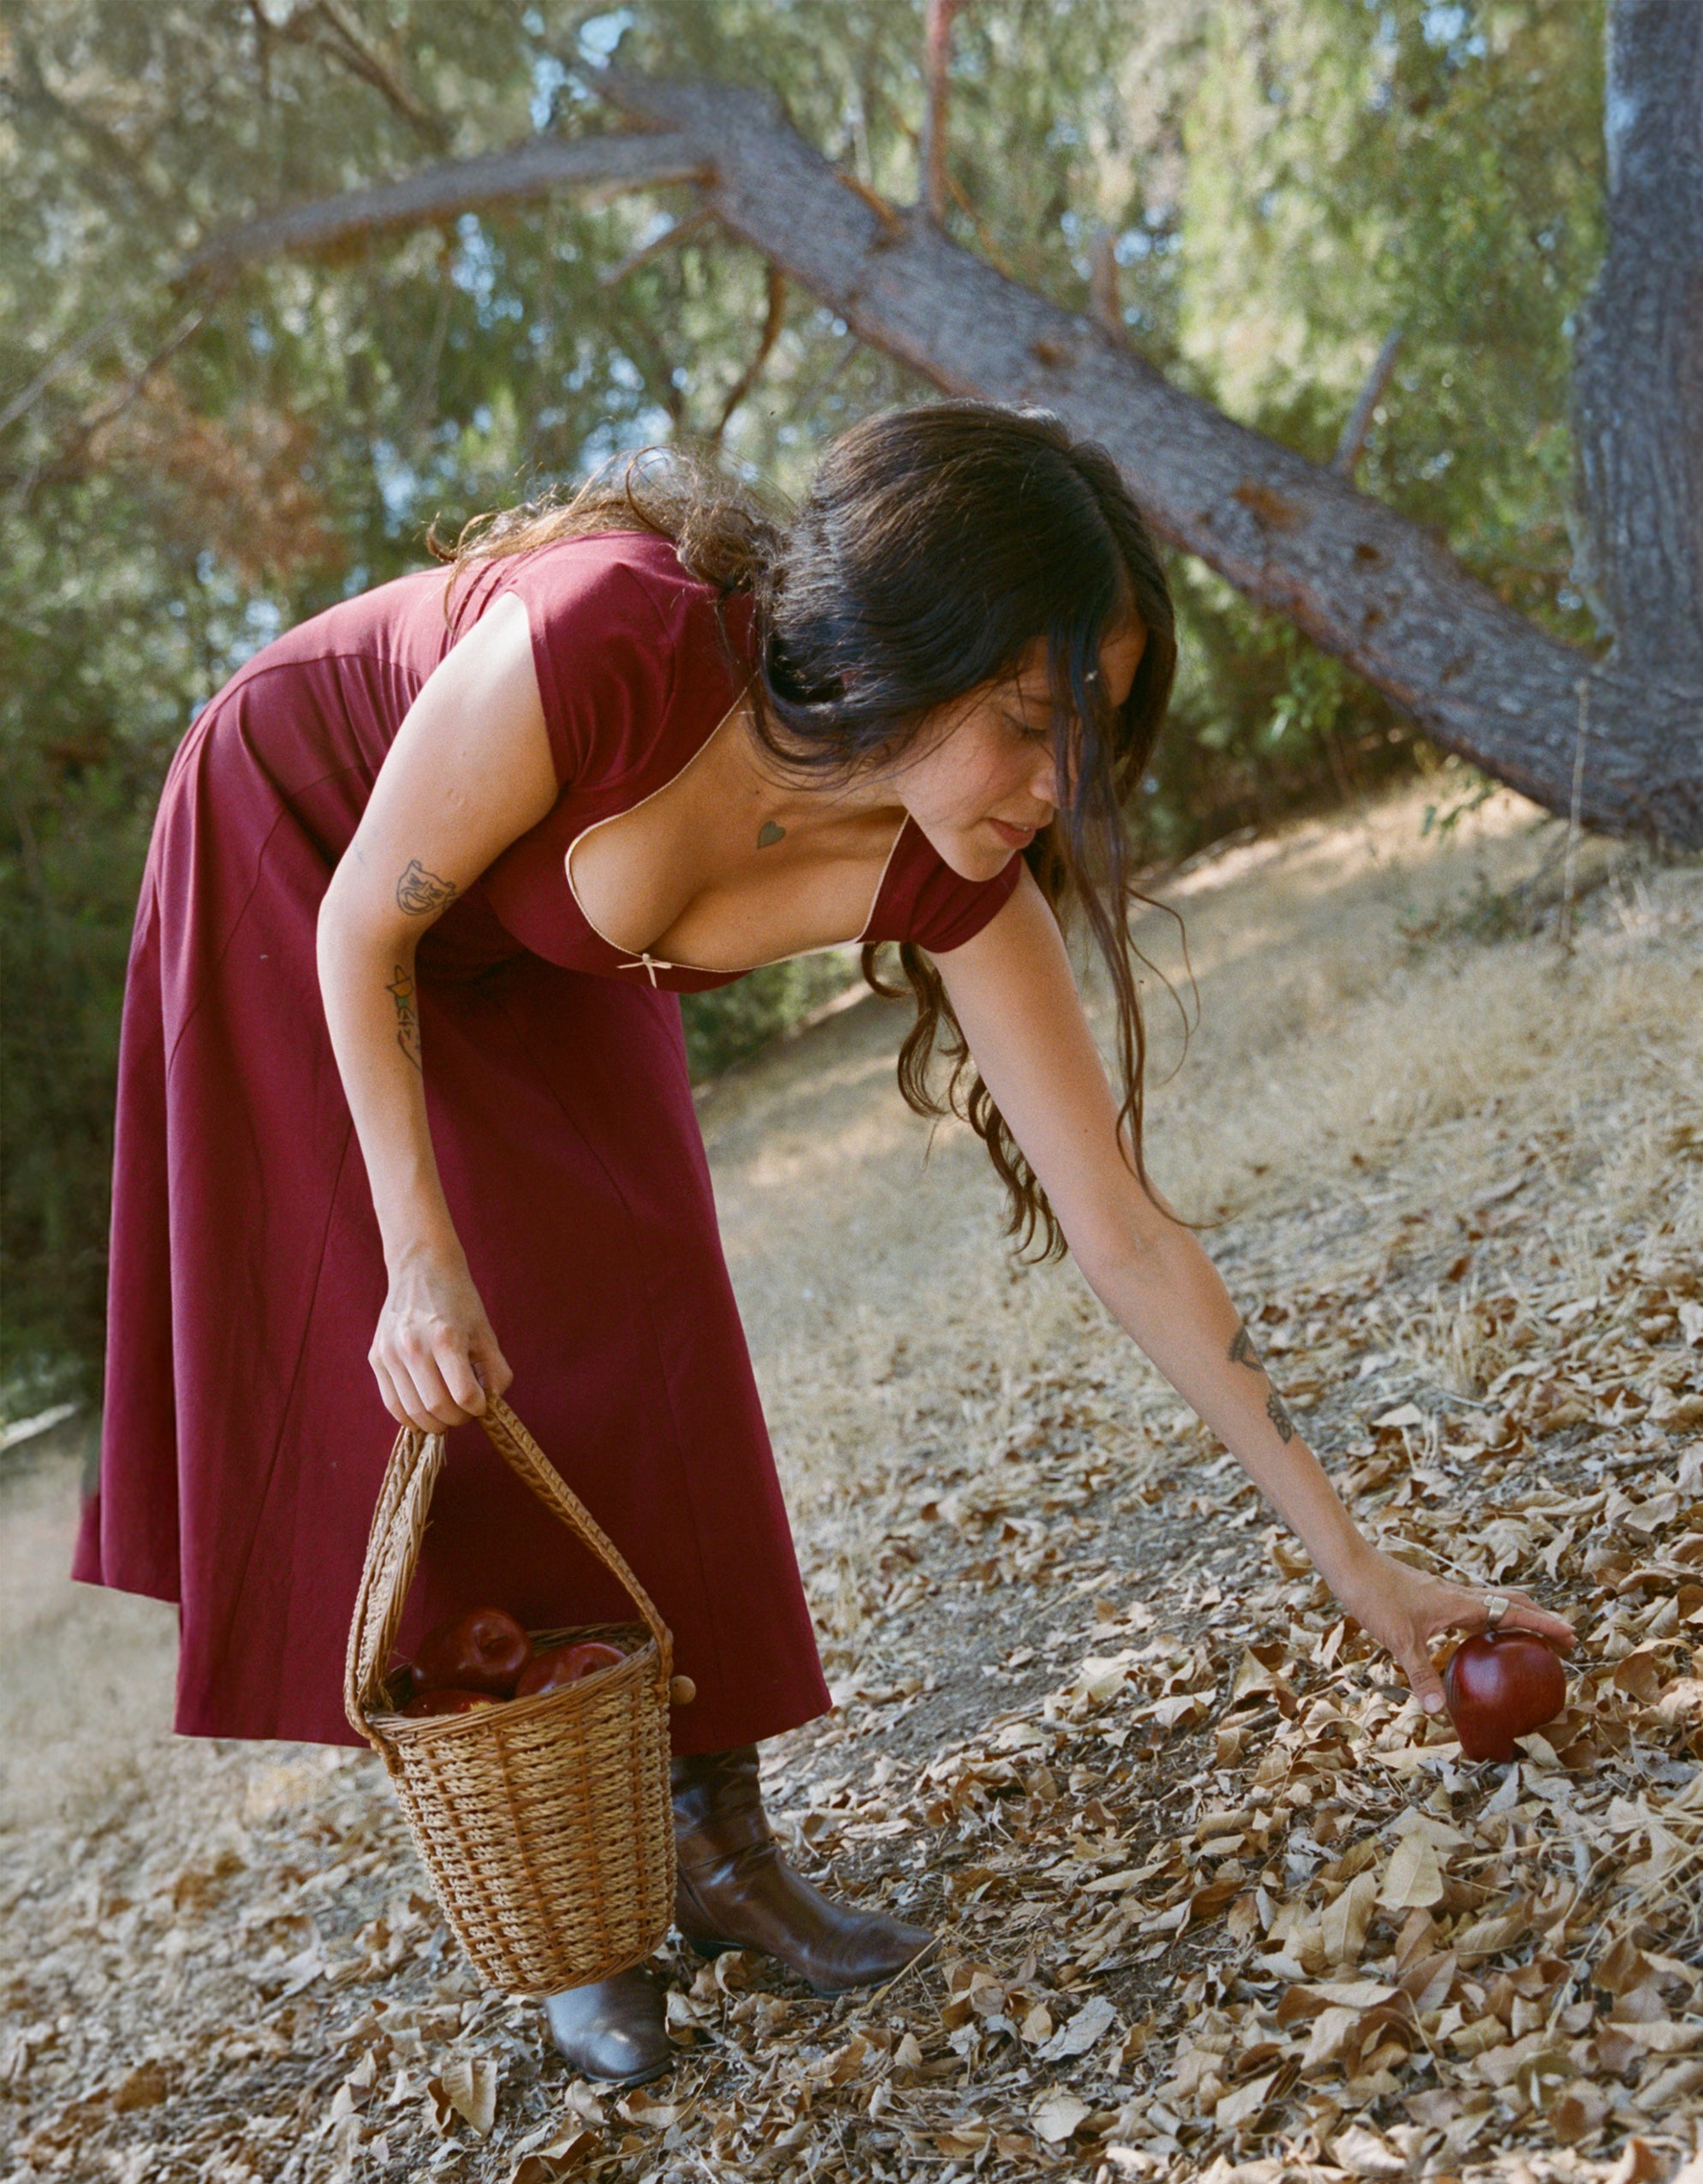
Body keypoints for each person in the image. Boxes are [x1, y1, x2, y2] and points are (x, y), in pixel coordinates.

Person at [78, 401, 1573, 2082]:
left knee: (650, 1309)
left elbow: (1125, 1230)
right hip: (312, 846)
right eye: (1022, 720)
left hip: (549, 928)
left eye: (1084, 737)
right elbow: (367, 923)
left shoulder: (955, 874)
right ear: (901, 651)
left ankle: (719, 1847)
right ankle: (582, 1921)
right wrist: (419, 1261)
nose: (1052, 786)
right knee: (460, 1353)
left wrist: (1358, 1570)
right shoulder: (608, 644)